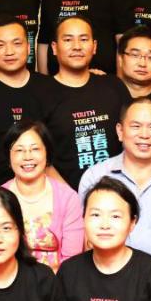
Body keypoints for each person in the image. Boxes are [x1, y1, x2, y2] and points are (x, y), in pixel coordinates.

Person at [78, 98, 151, 272]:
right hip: (105, 280)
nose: (144, 134)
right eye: (135, 126)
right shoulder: (95, 177)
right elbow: (87, 239)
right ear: (120, 131)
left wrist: (148, 280)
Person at [36, 16, 129, 189]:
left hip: (119, 192)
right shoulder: (39, 94)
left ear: (94, 46)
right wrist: (71, 198)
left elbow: (132, 136)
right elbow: (39, 157)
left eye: (84, 39)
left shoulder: (113, 86)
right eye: (68, 40)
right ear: (54, 48)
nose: (77, 46)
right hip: (66, 196)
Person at [0, 15, 56, 186]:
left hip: (47, 187)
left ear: (28, 47)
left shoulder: (49, 87)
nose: (9, 52)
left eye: (17, 43)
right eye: (0, 45)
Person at [3, 120, 83, 271]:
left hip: (58, 281)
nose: (27, 156)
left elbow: (72, 261)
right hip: (10, 281)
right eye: (19, 150)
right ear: (9, 156)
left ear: (47, 152)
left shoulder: (68, 198)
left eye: (35, 149)